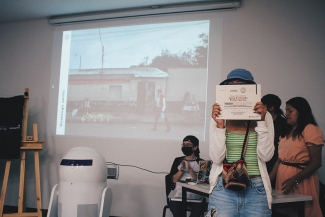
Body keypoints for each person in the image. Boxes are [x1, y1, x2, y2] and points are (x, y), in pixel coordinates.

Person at [208, 68, 274, 216]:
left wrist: (261, 122)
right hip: (223, 187)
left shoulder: (265, 116)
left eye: (240, 84)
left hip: (257, 188)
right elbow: (216, 158)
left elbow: (266, 156)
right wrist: (220, 125)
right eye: (231, 84)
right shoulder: (219, 116)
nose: (235, 87)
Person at [269, 97, 324, 217]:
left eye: (290, 111)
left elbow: (316, 162)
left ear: (301, 111)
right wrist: (267, 180)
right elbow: (280, 160)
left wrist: (295, 179)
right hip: (283, 181)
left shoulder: (310, 129)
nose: (286, 114)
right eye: (286, 110)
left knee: (303, 211)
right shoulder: (286, 131)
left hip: (302, 181)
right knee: (286, 212)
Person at [169, 135, 205, 217]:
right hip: (177, 192)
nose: (185, 147)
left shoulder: (202, 162)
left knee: (199, 208)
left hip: (196, 194)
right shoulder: (177, 160)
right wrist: (181, 169)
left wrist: (190, 170)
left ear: (195, 147)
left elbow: (202, 182)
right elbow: (174, 180)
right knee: (173, 205)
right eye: (184, 145)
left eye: (188, 145)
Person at [261, 94, 287, 188]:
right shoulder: (260, 122)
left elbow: (283, 153)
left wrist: (270, 176)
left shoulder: (284, 125)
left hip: (278, 168)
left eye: (263, 106)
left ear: (271, 108)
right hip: (263, 164)